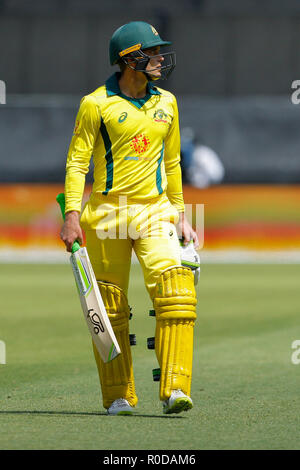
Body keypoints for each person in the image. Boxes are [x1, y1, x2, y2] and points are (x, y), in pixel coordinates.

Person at [60, 21, 199, 416]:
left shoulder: (167, 103)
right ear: (129, 59)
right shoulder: (96, 104)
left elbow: (172, 163)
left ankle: (175, 389)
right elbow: (77, 162)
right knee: (109, 308)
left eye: (158, 52)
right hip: (107, 213)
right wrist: (72, 215)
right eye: (152, 52)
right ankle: (119, 396)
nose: (159, 58)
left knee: (176, 290)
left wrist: (181, 215)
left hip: (155, 211)